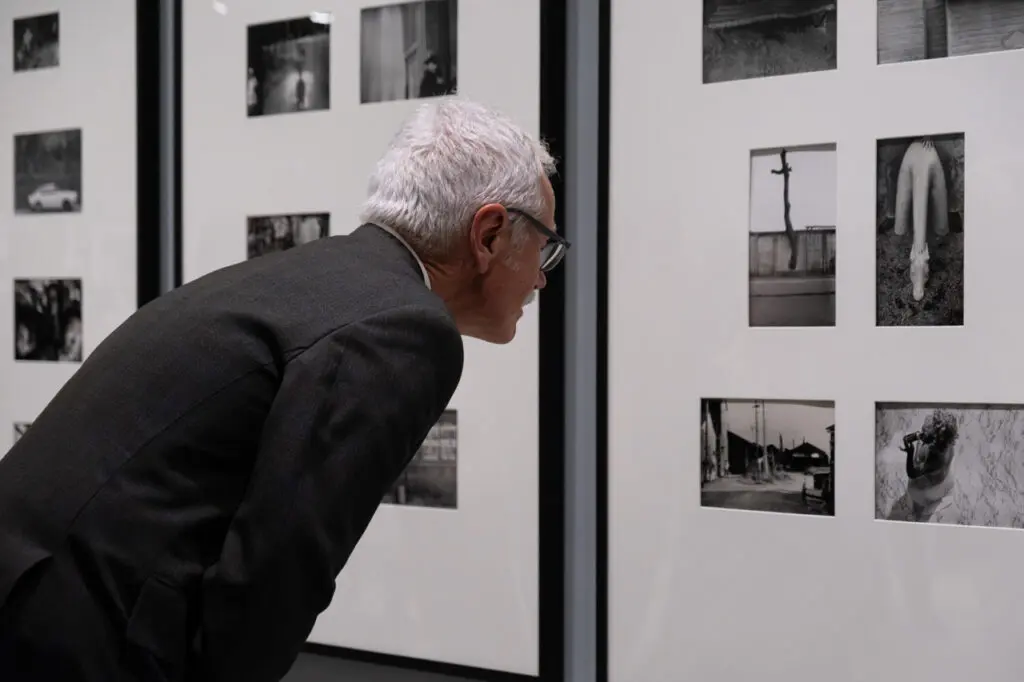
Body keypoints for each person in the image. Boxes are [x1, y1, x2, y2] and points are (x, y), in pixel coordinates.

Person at [0, 97, 567, 682]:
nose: (542, 275)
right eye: (545, 244)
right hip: (74, 633)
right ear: (491, 233)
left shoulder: (318, 278)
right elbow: (274, 574)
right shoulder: (404, 327)